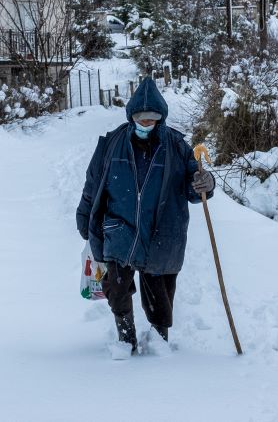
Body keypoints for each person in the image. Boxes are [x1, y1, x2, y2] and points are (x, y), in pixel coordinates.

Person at [76, 77, 215, 355]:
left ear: (160, 119)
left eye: (151, 120)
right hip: (119, 228)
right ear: (131, 117)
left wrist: (205, 183)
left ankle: (159, 340)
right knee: (116, 289)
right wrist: (84, 216)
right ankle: (125, 338)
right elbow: (94, 183)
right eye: (140, 119)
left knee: (159, 295)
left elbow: (194, 186)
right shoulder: (112, 143)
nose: (145, 124)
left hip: (161, 231)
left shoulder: (176, 146)